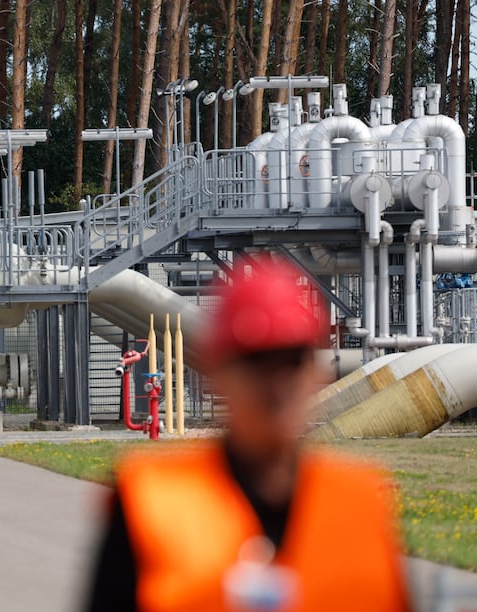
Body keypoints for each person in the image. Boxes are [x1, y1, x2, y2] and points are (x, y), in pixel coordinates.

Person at [85, 257, 410, 611]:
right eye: (257, 361)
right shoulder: (149, 503)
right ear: (216, 372)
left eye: (291, 361)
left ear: (315, 373)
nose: (277, 384)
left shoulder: (360, 505)